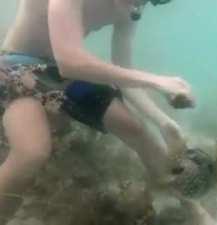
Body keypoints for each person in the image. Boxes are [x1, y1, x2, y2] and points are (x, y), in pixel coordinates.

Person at [0, 0, 195, 222]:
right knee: (31, 152)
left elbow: (123, 72)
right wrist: (157, 81)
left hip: (63, 75)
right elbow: (70, 61)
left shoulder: (131, 7)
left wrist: (163, 122)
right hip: (17, 64)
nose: (137, 5)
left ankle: (192, 205)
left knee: (136, 129)